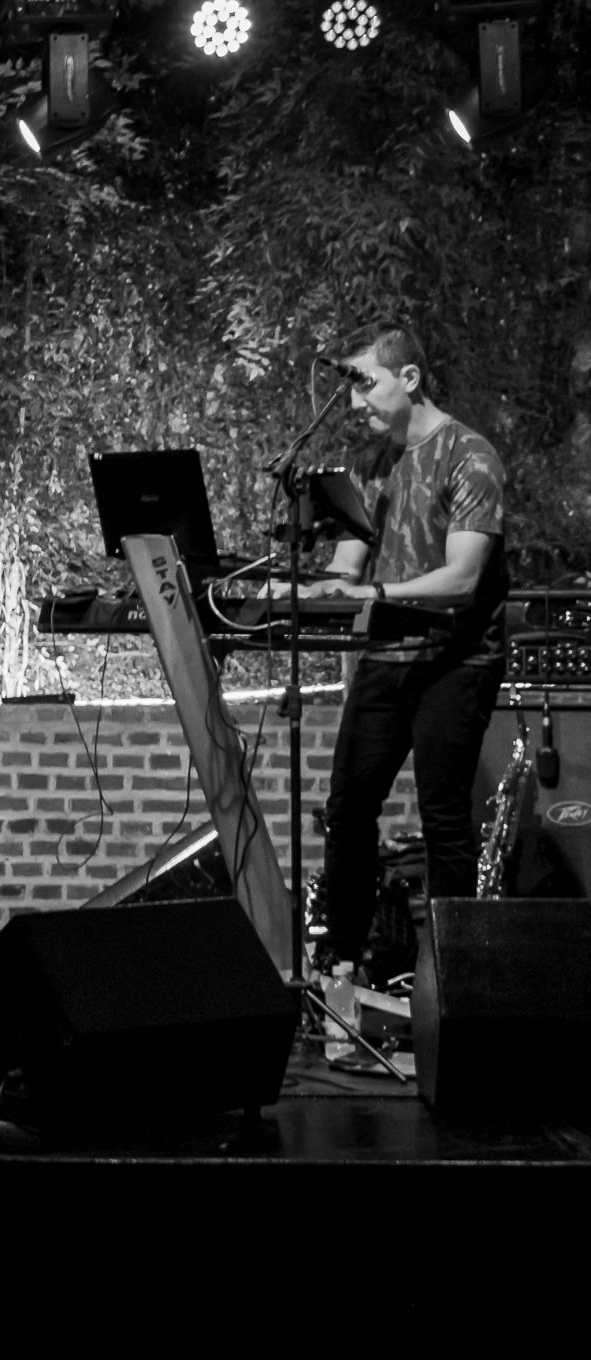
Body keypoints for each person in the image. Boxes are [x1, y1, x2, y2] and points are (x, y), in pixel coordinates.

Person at [285, 324, 509, 981]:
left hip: (457, 659)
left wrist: (374, 590)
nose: (355, 402)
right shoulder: (373, 464)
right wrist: (297, 587)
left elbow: (463, 579)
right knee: (348, 809)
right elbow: (347, 569)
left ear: (409, 378)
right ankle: (342, 961)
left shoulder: (471, 455)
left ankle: (454, 976)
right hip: (389, 654)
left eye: (365, 384)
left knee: (444, 818)